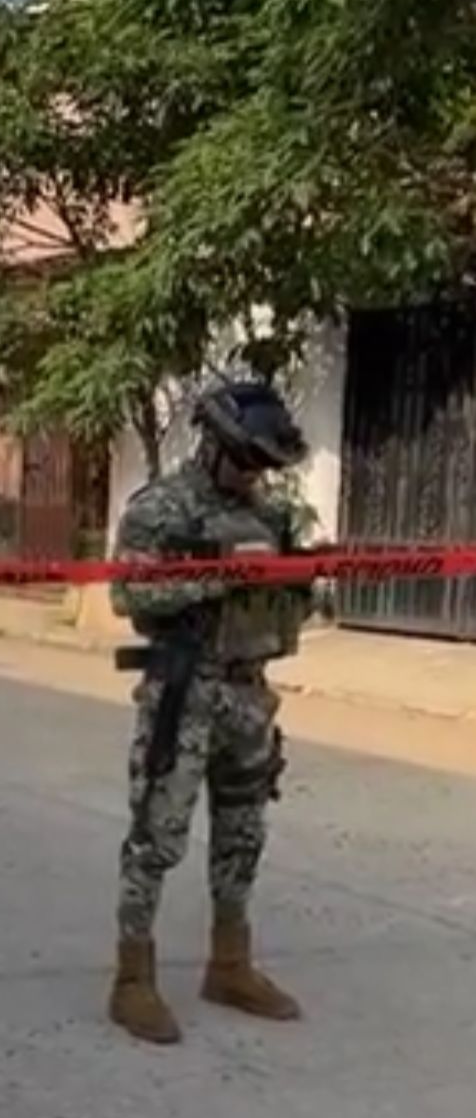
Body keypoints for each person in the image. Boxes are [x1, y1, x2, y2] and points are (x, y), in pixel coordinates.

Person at [107, 380, 316, 1045]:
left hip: (249, 694)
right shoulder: (161, 509)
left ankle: (229, 966)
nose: (256, 475)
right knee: (158, 833)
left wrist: (298, 582)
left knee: (242, 835)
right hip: (184, 691)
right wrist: (222, 576)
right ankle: (132, 979)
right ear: (216, 445)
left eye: (265, 465)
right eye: (248, 461)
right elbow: (128, 595)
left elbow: (295, 601)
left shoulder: (271, 516)